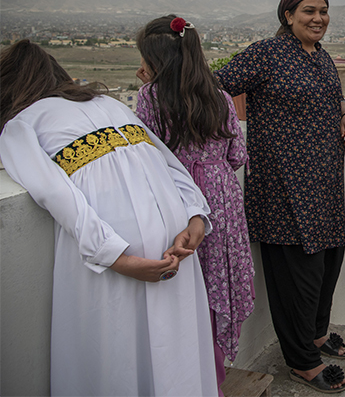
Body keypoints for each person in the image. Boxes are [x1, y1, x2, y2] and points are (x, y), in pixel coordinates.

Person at [0, 40, 218, 396]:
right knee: (175, 347)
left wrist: (117, 257)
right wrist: (195, 217)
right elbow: (167, 161)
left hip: (116, 252)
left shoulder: (22, 124)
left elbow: (56, 194)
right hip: (177, 243)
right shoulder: (109, 104)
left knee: (117, 354)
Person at [214, 0, 345, 394]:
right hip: (283, 187)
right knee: (298, 275)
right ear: (288, 16)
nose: (318, 18)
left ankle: (315, 335)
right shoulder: (267, 53)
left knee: (329, 262)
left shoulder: (322, 56)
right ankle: (301, 361)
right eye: (309, 11)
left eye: (324, 12)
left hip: (325, 183)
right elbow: (216, 84)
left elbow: (335, 96)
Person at [134, 14, 254, 396]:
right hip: (222, 200)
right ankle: (214, 377)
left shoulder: (150, 97)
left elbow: (146, 155)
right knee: (219, 283)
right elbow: (238, 153)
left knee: (188, 289)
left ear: (158, 61)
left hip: (180, 201)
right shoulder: (219, 97)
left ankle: (194, 378)